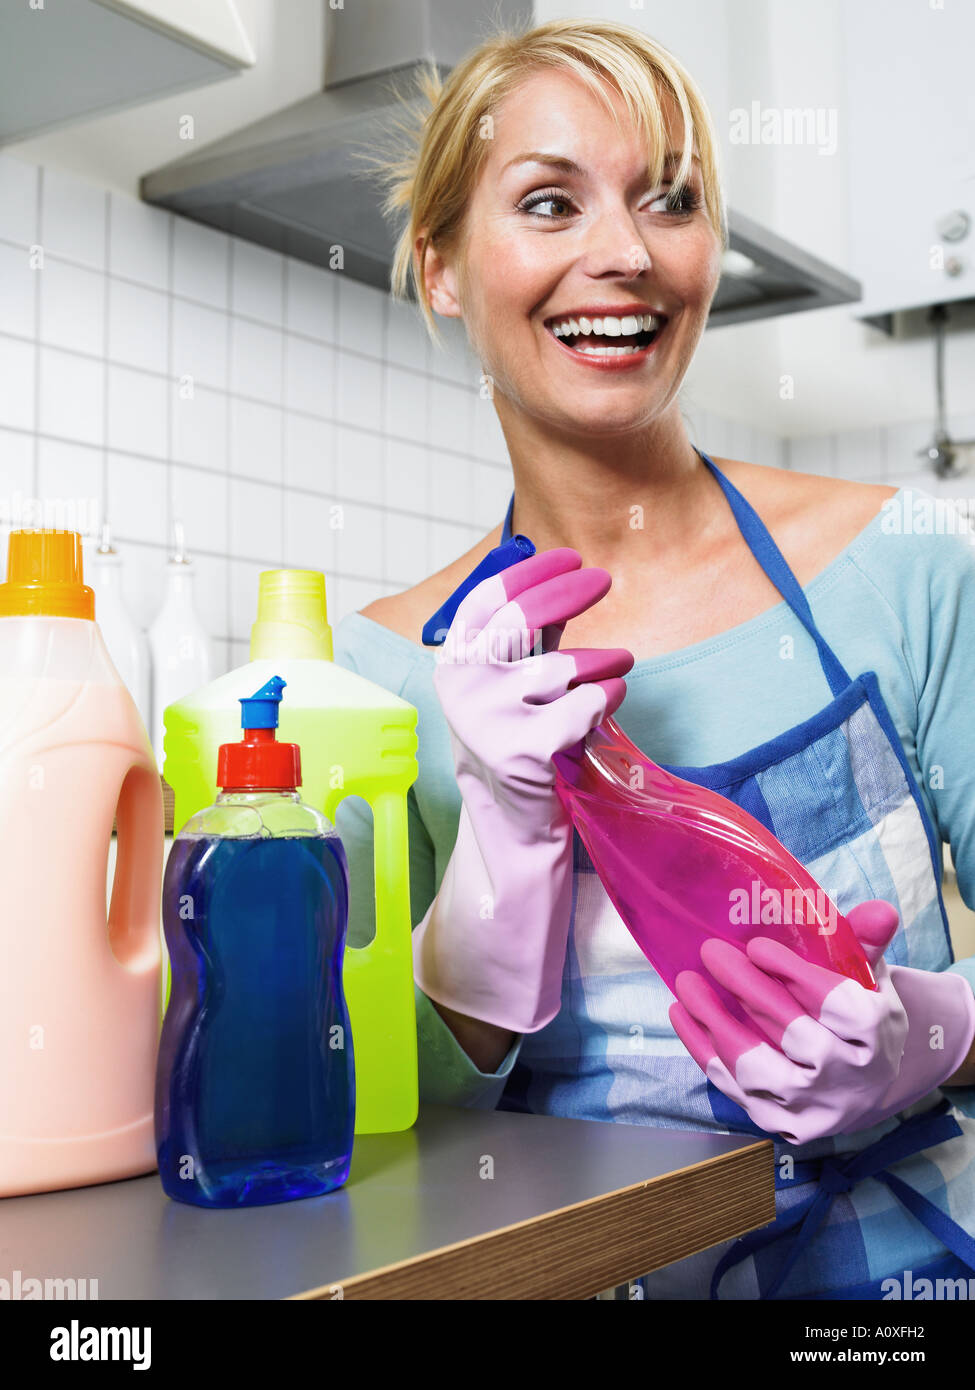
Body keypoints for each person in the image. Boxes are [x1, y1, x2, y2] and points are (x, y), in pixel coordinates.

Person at [331, 17, 975, 1299]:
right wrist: (500, 852)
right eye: (550, 202)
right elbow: (383, 1118)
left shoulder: (907, 564)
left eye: (669, 200)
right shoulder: (386, 676)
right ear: (441, 266)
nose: (621, 255)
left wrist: (929, 1041)